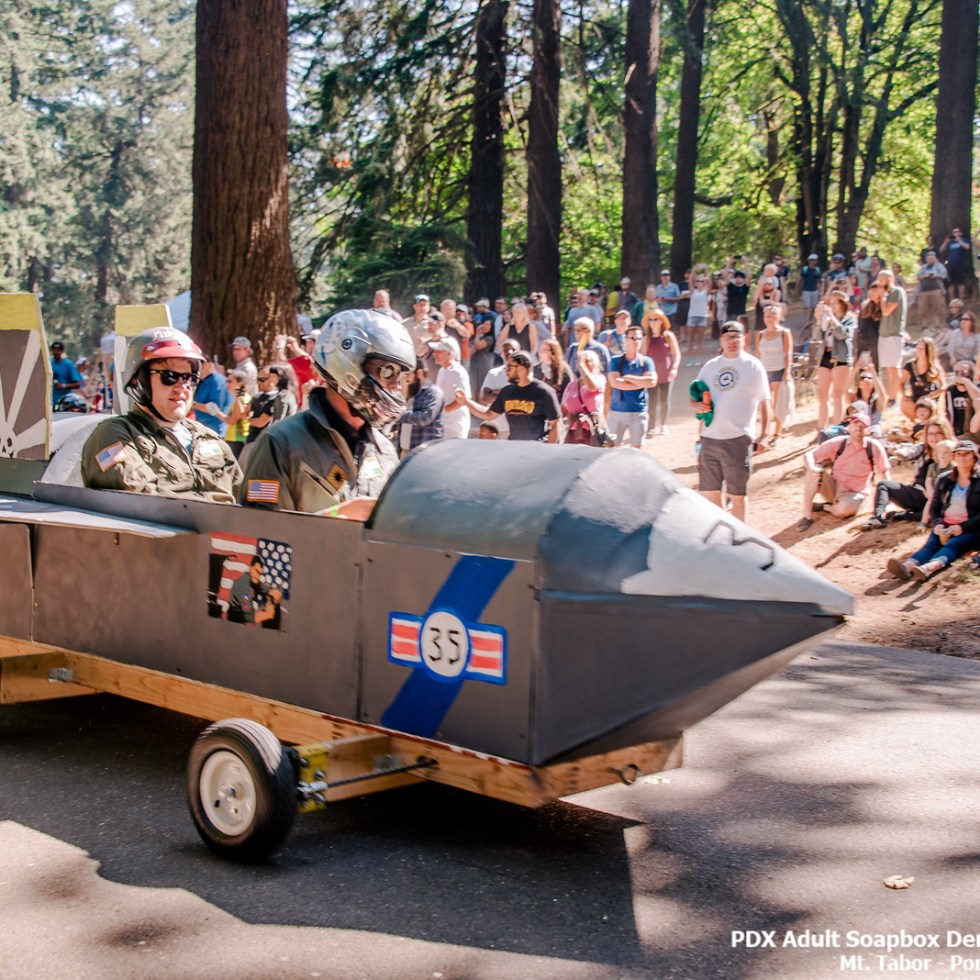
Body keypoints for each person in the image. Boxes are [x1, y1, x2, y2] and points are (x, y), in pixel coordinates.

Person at [239, 308, 415, 516]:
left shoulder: (383, 450)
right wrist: (333, 519)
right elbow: (259, 532)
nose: (395, 386)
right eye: (387, 371)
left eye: (400, 376)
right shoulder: (280, 443)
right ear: (347, 362)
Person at [81, 327, 241, 502]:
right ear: (138, 382)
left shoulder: (208, 438)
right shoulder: (116, 435)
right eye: (169, 376)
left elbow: (245, 499)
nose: (182, 387)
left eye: (188, 378)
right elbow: (142, 499)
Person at [690, 321, 771, 523]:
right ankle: (724, 536)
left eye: (737, 336)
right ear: (721, 340)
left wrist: (764, 433)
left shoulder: (752, 365)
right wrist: (695, 406)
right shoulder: (711, 366)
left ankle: (739, 540)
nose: (732, 341)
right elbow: (695, 395)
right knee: (711, 493)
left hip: (737, 438)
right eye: (728, 337)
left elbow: (765, 400)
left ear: (745, 339)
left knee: (737, 495)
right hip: (709, 437)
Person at [887, 441, 980, 582]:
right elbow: (935, 505)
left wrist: (962, 527)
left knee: (954, 544)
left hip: (970, 528)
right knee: (931, 545)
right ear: (953, 457)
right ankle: (906, 567)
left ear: (975, 456)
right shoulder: (945, 479)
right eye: (958, 454)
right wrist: (937, 524)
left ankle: (929, 568)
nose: (962, 458)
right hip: (946, 524)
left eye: (967, 454)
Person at [797, 412, 889, 530]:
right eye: (855, 424)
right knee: (813, 471)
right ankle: (807, 516)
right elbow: (808, 455)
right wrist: (812, 467)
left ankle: (826, 507)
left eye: (863, 425)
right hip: (834, 488)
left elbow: (884, 472)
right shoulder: (839, 443)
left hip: (855, 494)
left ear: (869, 430)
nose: (858, 428)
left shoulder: (874, 447)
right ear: (848, 427)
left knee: (843, 510)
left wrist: (887, 503)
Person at [862, 418, 953, 529]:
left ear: (945, 433)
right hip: (917, 493)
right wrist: (899, 452)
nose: (934, 438)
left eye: (938, 433)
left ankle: (907, 516)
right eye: (930, 433)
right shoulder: (922, 448)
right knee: (884, 485)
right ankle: (877, 518)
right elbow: (910, 451)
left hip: (941, 498)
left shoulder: (953, 450)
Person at [457, 351, 560, 442]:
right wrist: (466, 401)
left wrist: (546, 449)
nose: (506, 371)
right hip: (513, 447)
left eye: (509, 367)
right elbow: (488, 414)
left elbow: (556, 424)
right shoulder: (507, 392)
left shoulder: (544, 392)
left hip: (536, 448)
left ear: (521, 369)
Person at [607, 327, 657, 448]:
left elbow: (651, 382)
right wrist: (641, 382)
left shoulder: (646, 362)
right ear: (626, 339)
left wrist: (628, 378)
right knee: (612, 448)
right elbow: (615, 383)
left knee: (636, 450)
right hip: (617, 411)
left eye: (639, 338)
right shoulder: (616, 361)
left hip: (639, 412)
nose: (636, 341)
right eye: (633, 338)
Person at [813, 290, 855, 431]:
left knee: (838, 394)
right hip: (825, 356)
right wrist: (819, 321)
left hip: (841, 358)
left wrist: (832, 318)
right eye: (830, 304)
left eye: (835, 303)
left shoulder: (850, 319)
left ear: (843, 304)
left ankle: (837, 427)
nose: (832, 306)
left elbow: (842, 334)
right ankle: (821, 428)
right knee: (822, 395)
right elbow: (816, 337)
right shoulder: (827, 321)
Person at [754, 304, 793, 443]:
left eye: (771, 316)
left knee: (777, 403)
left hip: (778, 370)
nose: (768, 319)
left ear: (777, 317)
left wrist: (786, 372)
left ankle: (777, 433)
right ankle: (765, 432)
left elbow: (788, 353)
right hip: (764, 372)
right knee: (765, 402)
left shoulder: (784, 333)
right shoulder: (760, 335)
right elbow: (758, 355)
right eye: (766, 316)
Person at [641, 308, 680, 436]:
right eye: (650, 319)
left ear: (662, 321)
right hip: (652, 375)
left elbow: (676, 354)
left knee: (664, 400)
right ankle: (651, 426)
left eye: (655, 319)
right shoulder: (646, 339)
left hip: (666, 373)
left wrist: (674, 368)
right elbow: (642, 356)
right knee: (652, 401)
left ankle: (663, 425)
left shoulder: (668, 336)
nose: (653, 322)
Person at [873, 269, 907, 405]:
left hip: (894, 334)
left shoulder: (896, 292)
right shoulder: (885, 294)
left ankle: (895, 397)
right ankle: (889, 396)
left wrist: (882, 297)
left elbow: (887, 311)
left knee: (894, 367)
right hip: (884, 334)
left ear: (890, 278)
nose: (880, 282)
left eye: (882, 279)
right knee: (888, 368)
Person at [398, 358, 445, 453]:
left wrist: (399, 415)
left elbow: (425, 418)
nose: (406, 377)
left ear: (419, 373)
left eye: (408, 374)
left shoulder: (433, 392)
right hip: (406, 450)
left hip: (425, 453)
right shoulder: (411, 392)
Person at [561, 349, 607, 445]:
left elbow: (592, 386)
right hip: (573, 432)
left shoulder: (600, 379)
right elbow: (563, 409)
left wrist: (582, 366)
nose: (584, 363)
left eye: (588, 360)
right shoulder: (571, 385)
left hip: (593, 432)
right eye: (581, 361)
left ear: (596, 364)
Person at [429, 336, 471, 439]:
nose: (434, 354)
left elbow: (463, 400)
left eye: (439, 351)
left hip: (455, 426)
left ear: (449, 353)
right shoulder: (442, 371)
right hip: (442, 425)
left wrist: (441, 412)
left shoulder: (458, 372)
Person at [228, 555, 282, 627]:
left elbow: (270, 590)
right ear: (250, 568)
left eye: (260, 573)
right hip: (235, 622)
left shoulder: (252, 579)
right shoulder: (246, 587)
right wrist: (268, 614)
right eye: (256, 571)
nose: (258, 576)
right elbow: (249, 617)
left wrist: (274, 595)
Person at [900, 337, 945, 421]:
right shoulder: (910, 365)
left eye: (922, 349)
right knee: (905, 404)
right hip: (915, 399)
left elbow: (943, 387)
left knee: (927, 408)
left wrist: (929, 397)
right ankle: (918, 424)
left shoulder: (934, 367)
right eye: (917, 348)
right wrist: (903, 395)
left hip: (929, 400)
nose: (919, 351)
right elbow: (901, 382)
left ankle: (928, 422)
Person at [191, 358, 233, 437]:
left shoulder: (217, 381)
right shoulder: (204, 381)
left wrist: (191, 404)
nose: (199, 370)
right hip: (203, 428)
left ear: (210, 365)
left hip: (216, 431)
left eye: (202, 367)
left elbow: (213, 408)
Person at [915, 251, 948, 332]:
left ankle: (937, 325)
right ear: (926, 259)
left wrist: (935, 276)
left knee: (937, 307)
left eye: (932, 258)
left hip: (936, 289)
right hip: (923, 291)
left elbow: (944, 275)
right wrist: (925, 276)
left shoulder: (939, 266)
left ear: (935, 258)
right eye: (929, 258)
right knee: (923, 309)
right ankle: (924, 325)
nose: (930, 260)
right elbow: (918, 277)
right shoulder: (923, 267)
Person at [223, 369, 252, 459]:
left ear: (240, 383)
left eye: (230, 381)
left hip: (237, 439)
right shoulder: (239, 398)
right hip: (233, 438)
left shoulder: (243, 398)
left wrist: (215, 412)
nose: (227, 384)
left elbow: (237, 417)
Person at [533, 337, 573, 403]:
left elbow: (567, 394)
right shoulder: (536, 369)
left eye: (544, 350)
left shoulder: (564, 370)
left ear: (553, 352)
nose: (540, 352)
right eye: (540, 350)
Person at [940, 228, 972, 302]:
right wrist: (946, 242)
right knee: (951, 283)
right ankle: (952, 300)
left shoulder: (963, 240)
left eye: (957, 232)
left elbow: (967, 247)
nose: (955, 233)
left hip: (960, 265)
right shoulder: (950, 242)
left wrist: (959, 240)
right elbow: (941, 250)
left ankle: (961, 300)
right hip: (950, 265)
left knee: (961, 283)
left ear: (960, 233)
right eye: (954, 232)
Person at [50, 341, 84, 409]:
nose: (56, 352)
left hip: (65, 402)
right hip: (50, 403)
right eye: (54, 350)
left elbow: (78, 384)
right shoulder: (49, 364)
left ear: (61, 351)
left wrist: (63, 386)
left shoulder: (68, 364)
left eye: (58, 350)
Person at [799, 254, 822, 326]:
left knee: (813, 307)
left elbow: (819, 281)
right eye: (811, 260)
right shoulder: (805, 269)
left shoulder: (817, 270)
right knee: (807, 306)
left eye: (814, 260)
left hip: (814, 289)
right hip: (806, 289)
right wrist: (798, 288)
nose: (812, 261)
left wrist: (820, 291)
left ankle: (810, 319)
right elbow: (800, 279)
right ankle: (806, 321)